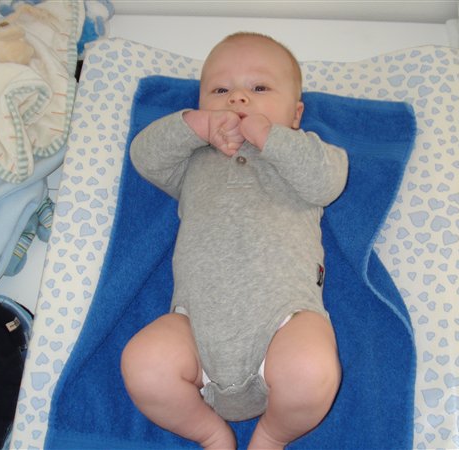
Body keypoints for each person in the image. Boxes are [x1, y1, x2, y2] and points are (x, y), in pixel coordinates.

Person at [121, 32, 349, 449]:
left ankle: (272, 436)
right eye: (220, 90)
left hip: (283, 322)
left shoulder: (302, 155)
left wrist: (272, 137)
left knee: (312, 370)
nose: (238, 98)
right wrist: (196, 127)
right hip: (195, 331)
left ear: (296, 113)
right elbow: (145, 155)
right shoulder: (194, 160)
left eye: (259, 88)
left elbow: (327, 180)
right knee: (143, 363)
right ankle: (210, 433)